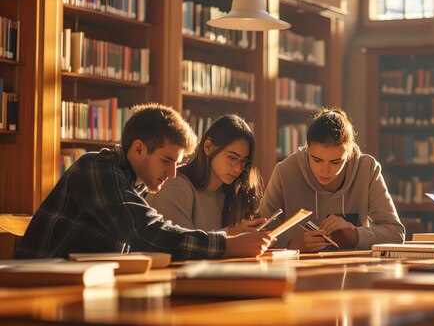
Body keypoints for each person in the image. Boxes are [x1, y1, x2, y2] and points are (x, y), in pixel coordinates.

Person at [14, 104, 271, 260]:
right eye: (167, 161)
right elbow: (146, 233)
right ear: (139, 150)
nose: (172, 173)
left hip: (79, 288)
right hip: (34, 292)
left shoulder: (135, 185)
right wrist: (228, 244)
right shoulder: (95, 168)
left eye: (177, 163)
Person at [259, 107, 405, 252]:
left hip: (353, 270)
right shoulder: (285, 170)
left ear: (349, 155)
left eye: (336, 162)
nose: (325, 170)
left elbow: (396, 234)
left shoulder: (368, 169)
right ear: (307, 149)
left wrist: (355, 235)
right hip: (298, 270)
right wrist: (293, 244)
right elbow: (260, 233)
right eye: (316, 160)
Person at [146, 114, 266, 234]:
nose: (238, 168)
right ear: (208, 147)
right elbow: (182, 245)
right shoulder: (174, 185)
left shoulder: (234, 192)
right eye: (232, 157)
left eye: (244, 161)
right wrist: (232, 234)